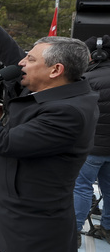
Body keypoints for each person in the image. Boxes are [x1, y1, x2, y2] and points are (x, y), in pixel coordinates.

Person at [0, 0, 99, 251]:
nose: (21, 63)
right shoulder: (60, 88)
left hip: (31, 228)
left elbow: (5, 142)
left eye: (31, 60)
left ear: (55, 70)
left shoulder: (69, 113)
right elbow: (12, 55)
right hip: (11, 211)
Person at [74, 35, 110, 241]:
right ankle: (107, 228)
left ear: (96, 55)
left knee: (82, 187)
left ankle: (74, 231)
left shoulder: (87, 80)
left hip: (92, 148)